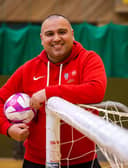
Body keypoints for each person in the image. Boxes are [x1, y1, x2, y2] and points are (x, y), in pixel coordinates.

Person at [0, 14, 107, 168]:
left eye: (62, 32)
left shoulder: (88, 59)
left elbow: (96, 91)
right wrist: (8, 129)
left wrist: (48, 93)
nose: (56, 38)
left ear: (72, 34)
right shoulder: (29, 69)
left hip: (83, 161)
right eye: (50, 34)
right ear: (42, 38)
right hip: (36, 162)